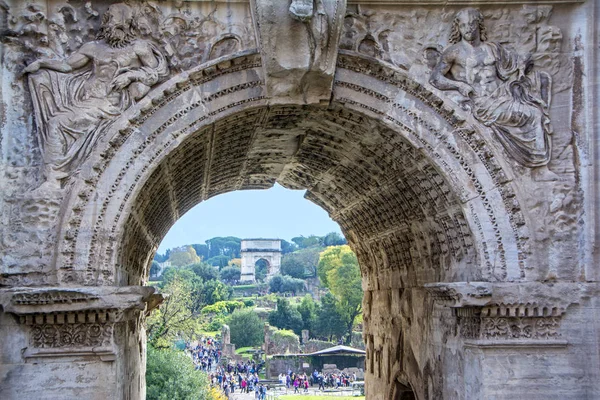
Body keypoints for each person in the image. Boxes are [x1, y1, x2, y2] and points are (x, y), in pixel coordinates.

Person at [24, 2, 169, 189]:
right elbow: (68, 65)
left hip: (111, 103)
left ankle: (52, 179)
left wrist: (131, 75)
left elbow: (157, 73)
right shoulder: (93, 47)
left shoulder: (138, 48)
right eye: (108, 19)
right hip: (88, 101)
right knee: (56, 123)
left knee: (56, 123)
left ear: (127, 22)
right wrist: (42, 64)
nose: (110, 23)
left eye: (115, 19)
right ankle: (53, 177)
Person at [430, 8, 554, 173]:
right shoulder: (454, 52)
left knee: (535, 112)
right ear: (458, 28)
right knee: (530, 114)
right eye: (464, 25)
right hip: (481, 102)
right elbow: (435, 78)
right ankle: (537, 166)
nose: (468, 28)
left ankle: (540, 166)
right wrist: (458, 85)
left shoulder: (493, 48)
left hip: (503, 95)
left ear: (479, 25)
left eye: (472, 24)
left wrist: (523, 62)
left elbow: (510, 67)